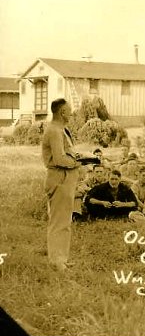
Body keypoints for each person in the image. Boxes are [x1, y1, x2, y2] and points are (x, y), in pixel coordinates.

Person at [41, 98, 83, 271]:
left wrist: (77, 158)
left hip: (66, 179)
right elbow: (59, 158)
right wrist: (78, 162)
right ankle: (56, 261)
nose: (71, 113)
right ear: (62, 112)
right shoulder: (54, 131)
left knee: (64, 221)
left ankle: (61, 259)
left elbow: (67, 153)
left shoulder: (60, 130)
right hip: (60, 179)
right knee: (59, 222)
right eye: (69, 110)